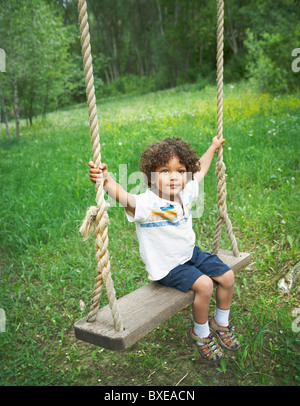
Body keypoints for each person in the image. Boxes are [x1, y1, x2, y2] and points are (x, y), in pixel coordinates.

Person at [88, 136, 240, 361]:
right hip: (168, 267)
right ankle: (201, 334)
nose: (174, 177)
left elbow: (201, 170)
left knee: (227, 276)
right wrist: (106, 179)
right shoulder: (147, 204)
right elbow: (124, 197)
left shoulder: (187, 191)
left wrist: (213, 147)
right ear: (151, 176)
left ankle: (221, 322)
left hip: (190, 254)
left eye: (180, 171)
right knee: (206, 286)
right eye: (165, 171)